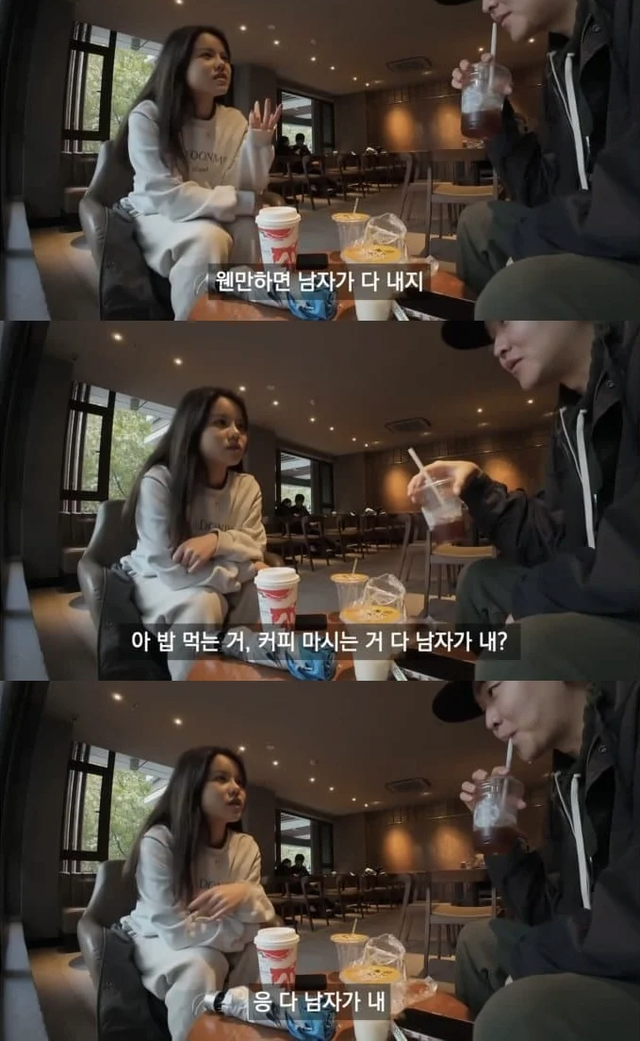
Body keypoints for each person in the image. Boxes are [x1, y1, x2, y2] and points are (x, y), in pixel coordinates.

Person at [407, 321, 640, 679]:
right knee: (480, 579)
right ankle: (491, 687)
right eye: (491, 336)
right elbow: (552, 536)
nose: (498, 347)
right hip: (597, 584)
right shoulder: (571, 416)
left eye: (506, 321)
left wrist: (535, 600)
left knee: (520, 607)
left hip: (624, 605)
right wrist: (477, 487)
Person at [431, 679, 640, 1041]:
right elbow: (545, 909)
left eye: (494, 690)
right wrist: (501, 836)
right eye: (483, 709)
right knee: (478, 941)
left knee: (513, 1014)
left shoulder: (631, 722)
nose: (489, 720)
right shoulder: (565, 783)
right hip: (598, 949)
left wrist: (534, 956)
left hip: (627, 961)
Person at [447, 0, 639, 319]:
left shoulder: (627, 18)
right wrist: (497, 114)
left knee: (512, 291)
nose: (486, 5)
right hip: (588, 228)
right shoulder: (560, 63)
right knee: (478, 223)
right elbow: (540, 189)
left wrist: (537, 235)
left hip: (625, 246)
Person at [114, 25, 283, 320]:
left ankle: (244, 313)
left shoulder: (233, 120)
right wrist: (243, 202)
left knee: (250, 227)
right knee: (207, 238)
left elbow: (246, 186)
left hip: (212, 211)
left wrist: (257, 144)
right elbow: (166, 196)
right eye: (207, 55)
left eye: (225, 58)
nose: (221, 64)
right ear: (178, 62)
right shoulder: (149, 115)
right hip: (156, 212)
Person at [120, 746, 275, 1041]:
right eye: (221, 778)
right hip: (155, 936)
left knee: (265, 951)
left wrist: (244, 893)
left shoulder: (246, 847)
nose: (236, 789)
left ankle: (241, 1029)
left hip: (210, 934)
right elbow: (177, 931)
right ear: (191, 785)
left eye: (240, 781)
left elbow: (261, 917)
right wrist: (246, 928)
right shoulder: (160, 841)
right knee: (203, 965)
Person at [122, 386, 270, 680]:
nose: (235, 433)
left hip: (211, 576)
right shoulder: (160, 481)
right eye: (221, 422)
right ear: (192, 428)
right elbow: (171, 570)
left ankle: (242, 670)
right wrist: (244, 570)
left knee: (263, 589)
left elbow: (256, 546)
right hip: (156, 578)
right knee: (204, 602)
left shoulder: (248, 486)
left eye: (241, 426)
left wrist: (216, 541)